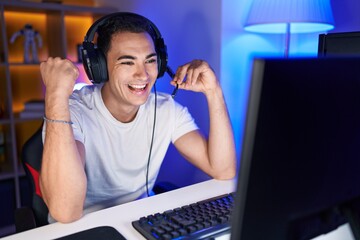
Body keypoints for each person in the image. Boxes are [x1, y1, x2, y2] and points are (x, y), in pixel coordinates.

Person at [39, 12, 236, 223]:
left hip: (139, 223)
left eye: (150, 61)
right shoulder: (71, 111)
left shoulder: (165, 109)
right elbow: (65, 211)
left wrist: (213, 91)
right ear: (100, 67)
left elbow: (223, 169)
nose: (142, 75)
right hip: (84, 228)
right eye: (127, 62)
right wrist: (55, 95)